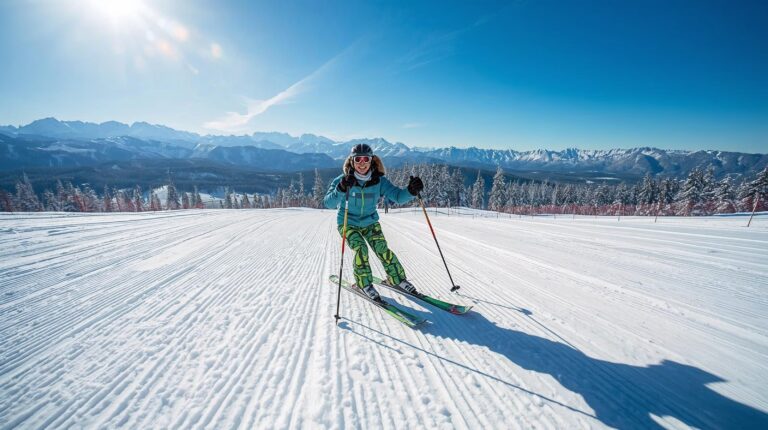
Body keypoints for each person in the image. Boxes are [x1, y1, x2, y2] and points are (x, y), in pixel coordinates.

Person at [324, 143, 424, 302]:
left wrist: (411, 191)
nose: (362, 163)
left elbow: (397, 196)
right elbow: (328, 203)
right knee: (360, 249)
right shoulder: (342, 180)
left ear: (372, 161)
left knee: (382, 248)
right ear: (352, 161)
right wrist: (341, 188)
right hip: (347, 223)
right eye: (358, 159)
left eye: (366, 159)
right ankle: (363, 283)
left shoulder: (379, 181)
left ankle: (397, 279)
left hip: (370, 223)